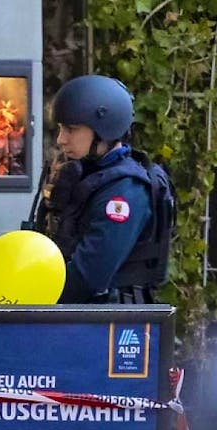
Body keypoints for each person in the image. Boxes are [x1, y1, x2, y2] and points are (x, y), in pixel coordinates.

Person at [31, 74, 173, 304]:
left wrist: (32, 300)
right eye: (60, 129)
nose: (61, 139)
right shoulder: (81, 175)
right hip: (74, 316)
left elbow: (88, 275)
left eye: (71, 129)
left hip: (109, 324)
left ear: (103, 130)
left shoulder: (125, 191)